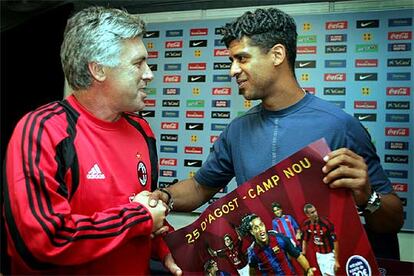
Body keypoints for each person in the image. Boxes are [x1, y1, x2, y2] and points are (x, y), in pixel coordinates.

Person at [150, 7, 404, 259]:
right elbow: (198, 187)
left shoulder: (339, 126)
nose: (233, 70)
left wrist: (367, 196)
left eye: (242, 58)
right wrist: (165, 196)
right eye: (231, 61)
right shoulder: (237, 130)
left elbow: (392, 221)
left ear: (277, 54)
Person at [2, 6, 182, 275]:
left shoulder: (142, 130)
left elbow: (145, 212)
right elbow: (43, 242)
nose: (149, 74)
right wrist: (140, 218)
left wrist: (164, 245)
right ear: (98, 70)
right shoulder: (43, 131)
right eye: (138, 63)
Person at [239, 214, 315, 275]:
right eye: (256, 228)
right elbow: (252, 271)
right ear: (252, 232)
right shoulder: (252, 252)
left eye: (261, 225)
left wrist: (308, 270)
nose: (261, 229)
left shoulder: (279, 238)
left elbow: (298, 255)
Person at [302, 203, 339, 276]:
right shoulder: (307, 224)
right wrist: (303, 251)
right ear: (307, 215)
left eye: (315, 211)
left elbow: (335, 241)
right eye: (312, 212)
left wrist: (336, 260)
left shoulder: (325, 223)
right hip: (319, 255)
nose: (315, 213)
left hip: (329, 254)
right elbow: (305, 239)